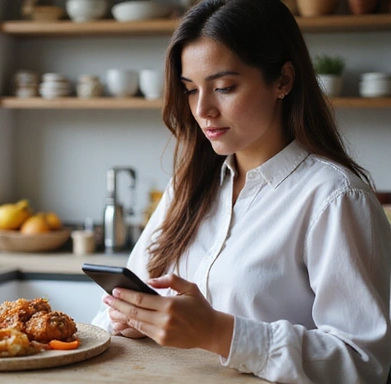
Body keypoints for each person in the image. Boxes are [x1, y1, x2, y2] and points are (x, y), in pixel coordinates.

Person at [91, 0, 391, 382]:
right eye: (190, 89)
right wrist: (133, 318)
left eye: (224, 87)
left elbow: (363, 363)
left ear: (283, 80)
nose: (203, 110)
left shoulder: (335, 199)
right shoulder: (187, 186)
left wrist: (219, 333)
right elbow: (114, 308)